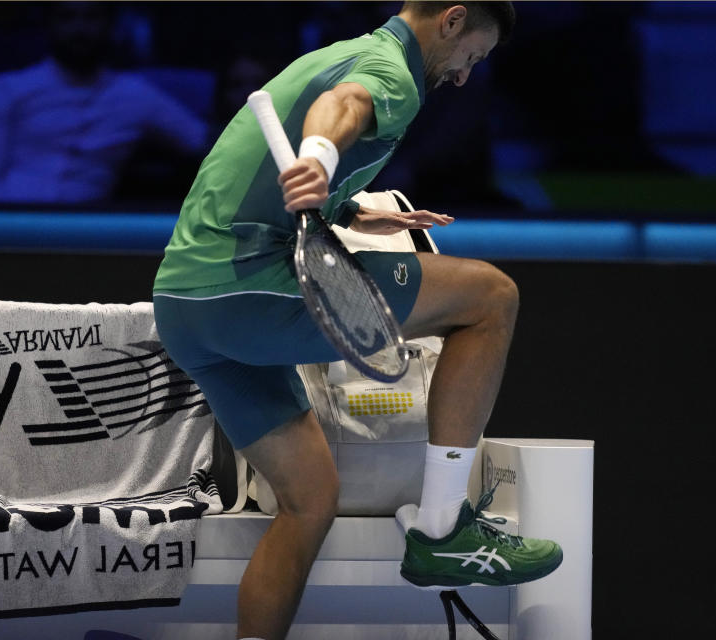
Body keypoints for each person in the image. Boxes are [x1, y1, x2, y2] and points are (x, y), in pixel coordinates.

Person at [152, 3, 561, 639]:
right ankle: (442, 527)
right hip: (245, 289)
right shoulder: (387, 69)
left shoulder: (340, 50)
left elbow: (289, 188)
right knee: (491, 297)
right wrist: (317, 155)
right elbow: (344, 106)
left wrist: (354, 211)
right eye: (471, 56)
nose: (464, 76)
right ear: (451, 20)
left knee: (309, 500)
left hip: (185, 305)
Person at [0, 2, 208, 204]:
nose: (80, 29)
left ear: (110, 24)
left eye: (92, 17)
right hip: (5, 224)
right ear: (50, 25)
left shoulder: (136, 95)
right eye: (67, 17)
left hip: (86, 233)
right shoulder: (8, 89)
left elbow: (204, 143)